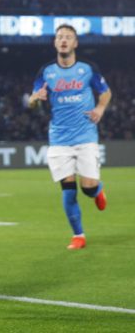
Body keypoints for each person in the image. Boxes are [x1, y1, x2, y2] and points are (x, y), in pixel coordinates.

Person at [28, 23, 111, 250]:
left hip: (85, 136)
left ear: (75, 43)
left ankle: (97, 189)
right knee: (68, 188)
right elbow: (31, 102)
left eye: (68, 37)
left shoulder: (87, 68)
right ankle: (78, 235)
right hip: (59, 139)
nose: (63, 40)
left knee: (88, 187)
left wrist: (100, 110)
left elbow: (105, 92)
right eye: (60, 37)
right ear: (55, 42)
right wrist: (36, 99)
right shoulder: (46, 71)